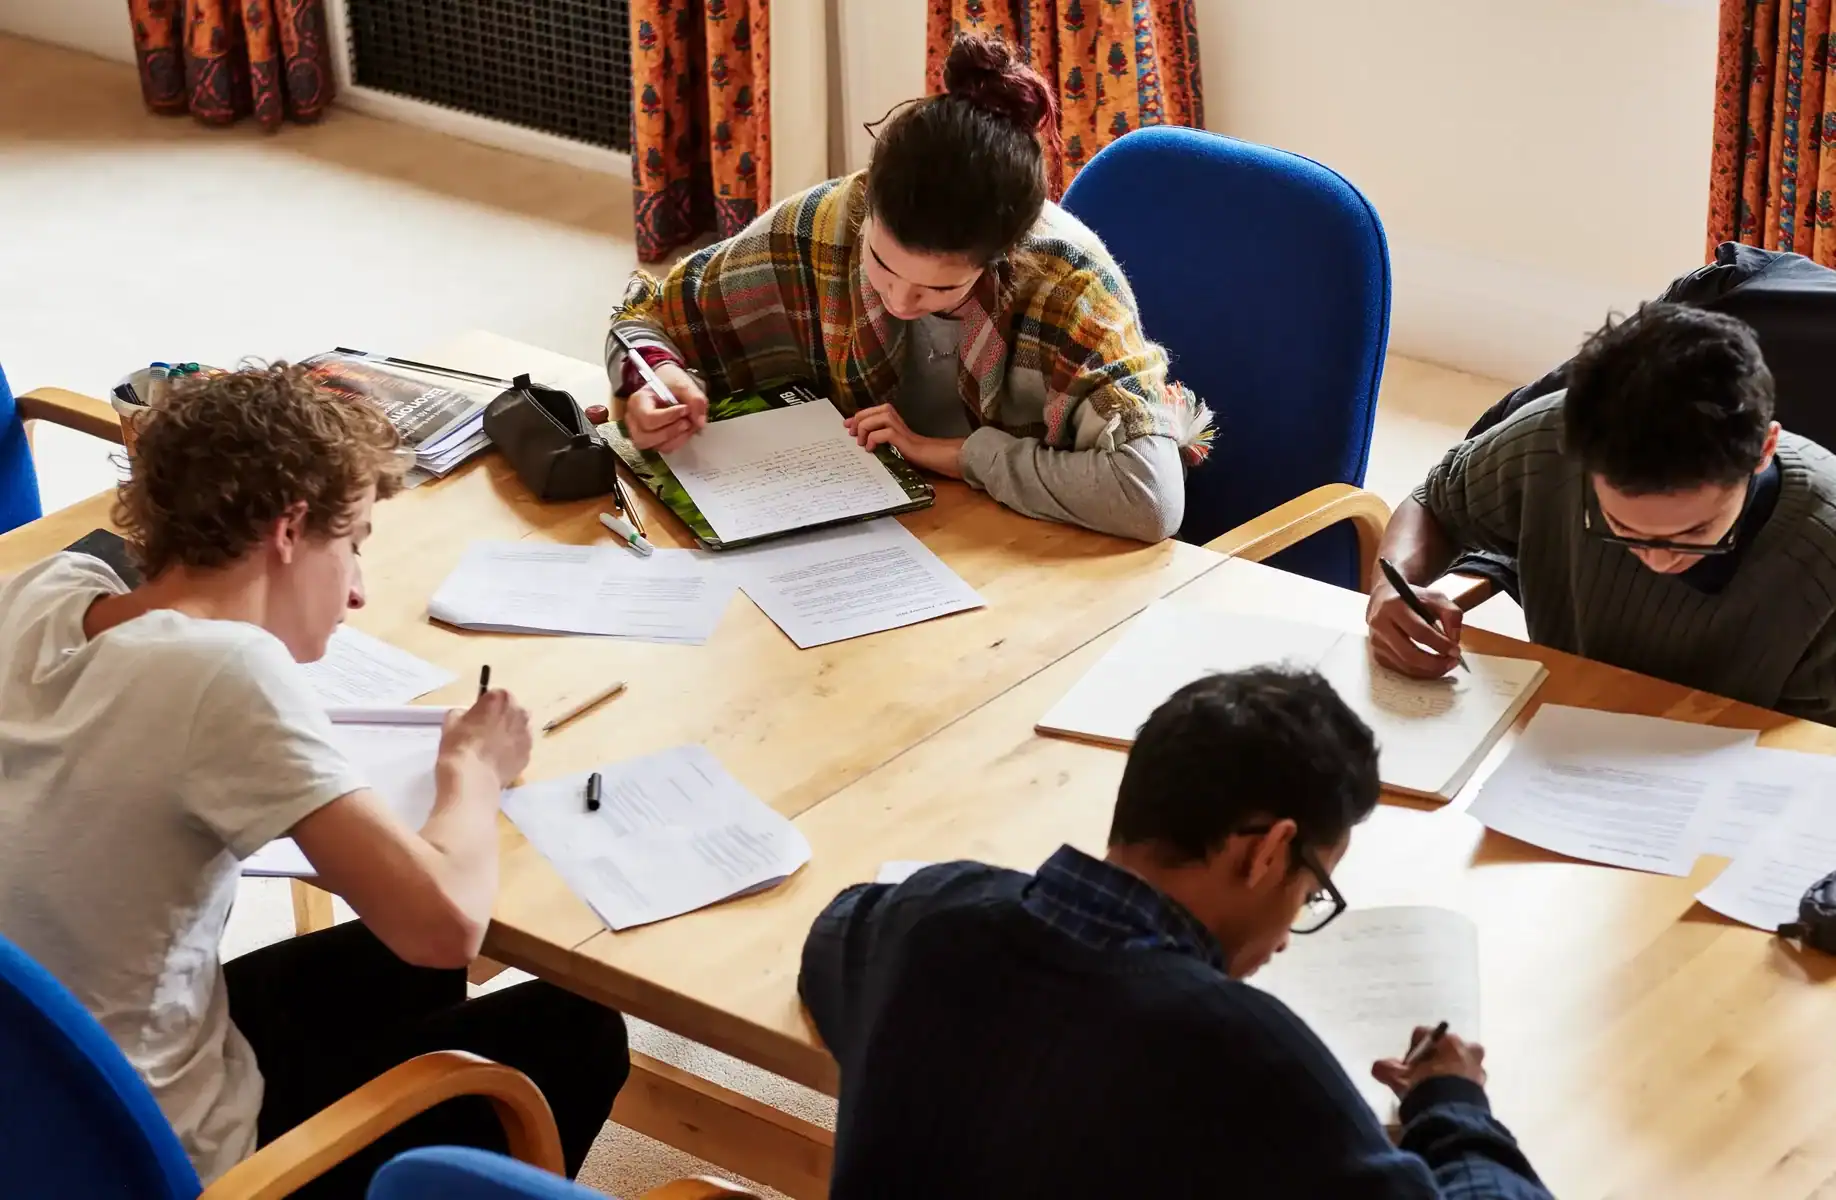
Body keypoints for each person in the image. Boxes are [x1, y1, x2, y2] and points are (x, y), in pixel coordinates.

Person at [0, 365, 627, 1196]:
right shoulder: (225, 669)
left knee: (400, 973)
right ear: (290, 531)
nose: (359, 590)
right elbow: (446, 928)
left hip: (39, 1091)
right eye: (356, 542)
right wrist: (473, 768)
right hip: (163, 1158)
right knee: (575, 1026)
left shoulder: (41, 591)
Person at [799, 668, 1549, 1198]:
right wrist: (1451, 1103)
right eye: (1309, 890)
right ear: (1264, 852)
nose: (1287, 937)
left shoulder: (930, 913)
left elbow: (833, 937)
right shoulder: (1243, 1051)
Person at [607, 33, 1212, 544]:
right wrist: (651, 380)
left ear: (999, 258)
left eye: (937, 290)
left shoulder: (1066, 284)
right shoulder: (830, 224)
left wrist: (955, 454)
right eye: (883, 264)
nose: (900, 301)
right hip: (858, 535)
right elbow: (650, 320)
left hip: (1011, 549)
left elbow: (1150, 499)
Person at [1368, 302, 1836, 723]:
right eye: (1621, 528)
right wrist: (1393, 586)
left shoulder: (1824, 546)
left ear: (1763, 450)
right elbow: (1434, 503)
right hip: (1563, 734)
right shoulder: (1552, 439)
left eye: (1694, 532)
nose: (1656, 561)